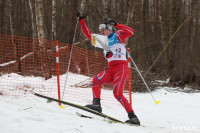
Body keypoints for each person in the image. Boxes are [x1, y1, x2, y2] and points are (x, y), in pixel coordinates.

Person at [76, 11, 140, 125]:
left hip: (121, 68)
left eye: (103, 30)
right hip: (111, 69)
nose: (101, 32)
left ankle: (133, 117)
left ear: (109, 29)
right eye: (100, 30)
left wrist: (117, 24)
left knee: (117, 93)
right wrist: (81, 20)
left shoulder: (118, 35)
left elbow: (131, 31)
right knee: (96, 80)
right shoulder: (102, 40)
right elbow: (88, 34)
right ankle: (96, 105)